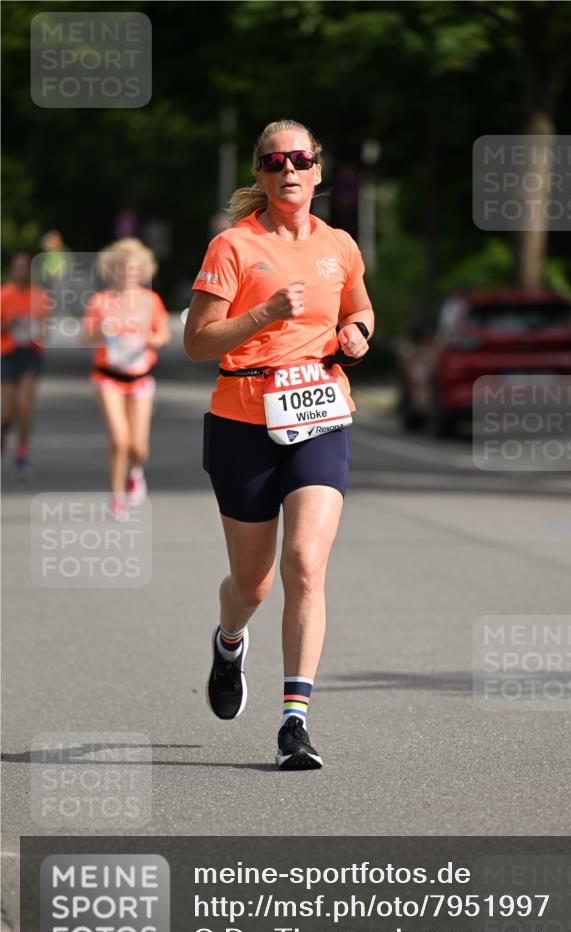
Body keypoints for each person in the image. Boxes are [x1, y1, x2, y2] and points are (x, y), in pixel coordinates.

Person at [185, 119, 374, 770]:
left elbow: (360, 307)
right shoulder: (232, 247)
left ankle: (294, 721)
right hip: (242, 420)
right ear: (260, 175)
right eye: (275, 161)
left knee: (305, 563)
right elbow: (197, 342)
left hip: (319, 412)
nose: (289, 169)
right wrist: (265, 314)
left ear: (318, 171)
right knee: (255, 582)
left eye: (301, 159)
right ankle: (230, 639)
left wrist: (357, 333)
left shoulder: (339, 245)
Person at [82, 238, 170, 519]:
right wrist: (101, 332)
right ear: (112, 270)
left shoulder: (150, 300)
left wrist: (148, 340)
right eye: (122, 267)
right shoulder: (100, 301)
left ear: (142, 270)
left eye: (133, 268)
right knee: (119, 439)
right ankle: (116, 498)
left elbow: (163, 335)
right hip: (108, 377)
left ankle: (134, 471)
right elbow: (85, 338)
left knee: (138, 446)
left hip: (140, 376)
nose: (127, 273)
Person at [1, 252, 51, 477]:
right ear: (13, 270)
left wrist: (39, 332)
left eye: (25, 267)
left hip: (31, 354)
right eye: (17, 267)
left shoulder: (40, 296)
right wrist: (8, 325)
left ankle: (21, 455)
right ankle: (3, 436)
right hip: (8, 354)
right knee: (9, 411)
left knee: (24, 407)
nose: (21, 271)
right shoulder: (4, 295)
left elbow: (45, 329)